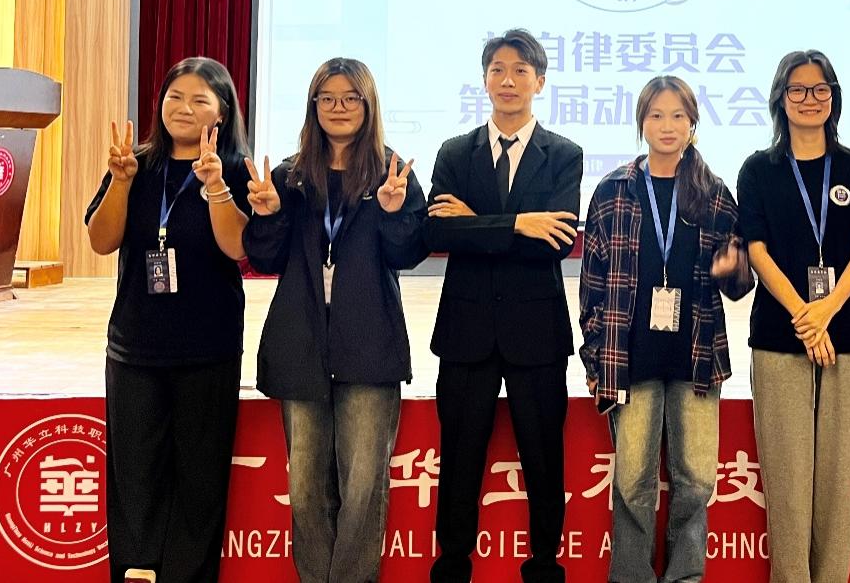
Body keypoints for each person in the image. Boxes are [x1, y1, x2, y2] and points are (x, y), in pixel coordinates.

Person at [243, 57, 427, 583]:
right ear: (313, 106)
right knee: (305, 490)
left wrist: (393, 213)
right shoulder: (291, 176)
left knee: (363, 489)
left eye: (350, 98)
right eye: (327, 98)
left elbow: (408, 253)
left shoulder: (392, 173)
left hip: (368, 348)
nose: (339, 107)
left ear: (368, 106)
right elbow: (266, 259)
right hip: (301, 345)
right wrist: (268, 214)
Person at [579, 75, 752, 583]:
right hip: (628, 358)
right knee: (632, 482)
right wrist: (595, 359)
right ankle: (630, 576)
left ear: (693, 124)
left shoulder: (712, 193)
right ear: (642, 122)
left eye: (678, 116)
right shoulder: (613, 190)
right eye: (656, 115)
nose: (667, 126)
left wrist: (734, 269)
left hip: (696, 357)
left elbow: (740, 285)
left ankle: (685, 576)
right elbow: (591, 285)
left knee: (696, 479)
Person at [85, 57, 251, 583]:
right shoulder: (134, 164)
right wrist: (119, 182)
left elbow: (238, 247)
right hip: (136, 347)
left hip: (208, 348)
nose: (184, 108)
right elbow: (101, 240)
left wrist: (215, 185)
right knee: (134, 479)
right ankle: (135, 573)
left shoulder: (236, 170)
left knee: (200, 483)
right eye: (175, 97)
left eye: (200, 100)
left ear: (221, 113)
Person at [426, 29, 583, 583]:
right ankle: (452, 565)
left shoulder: (563, 154)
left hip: (536, 331)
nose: (508, 80)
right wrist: (518, 224)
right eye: (498, 69)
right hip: (466, 329)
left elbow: (555, 241)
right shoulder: (454, 152)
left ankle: (543, 565)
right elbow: (438, 232)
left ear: (539, 81)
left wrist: (477, 223)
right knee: (459, 457)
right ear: (485, 79)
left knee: (543, 459)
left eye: (520, 70)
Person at [736, 49, 850, 583]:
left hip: (849, 337)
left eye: (821, 88)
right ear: (781, 98)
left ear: (834, 97)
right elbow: (757, 252)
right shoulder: (758, 169)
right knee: (787, 486)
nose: (810, 99)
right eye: (798, 89)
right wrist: (806, 317)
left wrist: (827, 310)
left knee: (838, 485)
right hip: (780, 337)